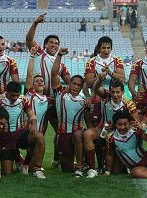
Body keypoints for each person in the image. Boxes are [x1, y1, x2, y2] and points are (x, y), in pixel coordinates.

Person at [26, 13, 71, 167]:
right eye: (51, 42)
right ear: (45, 45)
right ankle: (30, 163)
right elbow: (29, 40)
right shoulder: (39, 53)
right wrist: (35, 23)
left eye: (56, 43)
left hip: (54, 102)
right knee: (38, 133)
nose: (54, 45)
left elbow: (70, 82)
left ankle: (57, 158)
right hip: (38, 101)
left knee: (61, 132)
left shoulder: (60, 64)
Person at [0, 81, 46, 179]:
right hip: (6, 136)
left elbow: (31, 115)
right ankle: (18, 158)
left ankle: (37, 169)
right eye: (12, 95)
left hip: (20, 133)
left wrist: (33, 124)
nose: (15, 98)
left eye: (17, 95)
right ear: (7, 92)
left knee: (39, 136)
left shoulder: (23, 100)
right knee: (7, 173)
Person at [83, 74, 139, 178]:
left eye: (118, 92)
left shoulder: (129, 104)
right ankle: (92, 169)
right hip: (102, 129)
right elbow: (95, 88)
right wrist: (100, 78)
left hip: (119, 135)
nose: (115, 95)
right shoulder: (107, 96)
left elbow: (136, 124)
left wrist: (120, 128)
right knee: (87, 134)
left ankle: (126, 162)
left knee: (116, 171)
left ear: (123, 92)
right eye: (113, 92)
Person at [84, 36, 125, 172]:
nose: (106, 50)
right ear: (99, 48)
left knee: (116, 128)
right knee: (99, 132)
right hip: (98, 98)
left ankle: (117, 162)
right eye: (103, 47)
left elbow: (122, 78)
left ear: (111, 48)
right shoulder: (91, 62)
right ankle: (99, 164)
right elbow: (89, 83)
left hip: (115, 97)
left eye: (108, 47)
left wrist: (110, 72)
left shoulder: (117, 60)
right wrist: (99, 78)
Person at [51, 47, 92, 176]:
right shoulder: (61, 94)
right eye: (73, 84)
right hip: (63, 135)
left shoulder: (84, 101)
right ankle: (76, 165)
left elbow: (87, 121)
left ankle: (80, 166)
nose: (75, 87)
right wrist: (59, 55)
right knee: (67, 169)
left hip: (77, 135)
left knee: (79, 134)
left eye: (79, 85)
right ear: (69, 84)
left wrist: (93, 134)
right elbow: (54, 74)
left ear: (81, 87)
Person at [22, 46, 50, 174]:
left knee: (33, 151)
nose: (39, 82)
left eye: (41, 81)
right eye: (37, 81)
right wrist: (32, 56)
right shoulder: (30, 94)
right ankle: (34, 167)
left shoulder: (48, 99)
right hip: (27, 131)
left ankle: (26, 164)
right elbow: (29, 74)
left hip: (39, 131)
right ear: (32, 84)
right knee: (35, 143)